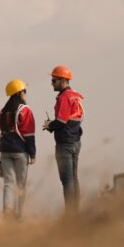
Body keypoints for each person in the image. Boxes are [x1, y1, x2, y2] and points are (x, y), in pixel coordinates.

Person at [43, 65, 84, 212]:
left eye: (54, 80)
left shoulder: (65, 97)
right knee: (73, 178)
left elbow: (61, 121)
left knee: (67, 180)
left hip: (65, 143)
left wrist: (49, 125)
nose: (52, 83)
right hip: (75, 141)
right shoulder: (75, 95)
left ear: (62, 80)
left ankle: (70, 215)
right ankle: (76, 213)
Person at [0, 79, 35, 219]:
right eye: (25, 91)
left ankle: (7, 212)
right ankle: (20, 215)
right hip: (20, 152)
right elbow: (29, 134)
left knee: (8, 183)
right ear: (20, 93)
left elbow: (1, 127)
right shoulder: (25, 111)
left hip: (4, 151)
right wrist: (33, 153)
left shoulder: (2, 112)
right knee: (21, 184)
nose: (26, 93)